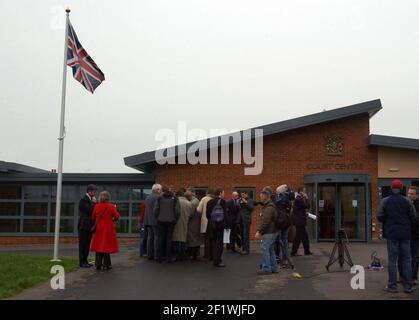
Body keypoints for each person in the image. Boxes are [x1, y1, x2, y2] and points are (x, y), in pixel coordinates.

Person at [378, 179, 418, 294]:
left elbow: (380, 216)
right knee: (407, 260)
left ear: (391, 188)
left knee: (392, 260)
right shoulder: (407, 201)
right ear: (401, 189)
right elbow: (414, 218)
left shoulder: (385, 201)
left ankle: (392, 286)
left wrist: (389, 221)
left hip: (392, 234)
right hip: (405, 234)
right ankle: (408, 286)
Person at [90, 191, 120, 271]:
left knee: (99, 245)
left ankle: (98, 264)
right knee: (106, 245)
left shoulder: (96, 206)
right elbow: (117, 217)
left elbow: (93, 217)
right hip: (108, 227)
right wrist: (112, 218)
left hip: (99, 227)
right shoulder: (111, 206)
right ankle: (107, 264)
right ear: (108, 197)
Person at [154, 185, 180, 263]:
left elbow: (155, 210)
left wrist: (157, 218)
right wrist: (175, 219)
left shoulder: (159, 198)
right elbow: (177, 211)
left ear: (162, 190)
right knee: (169, 240)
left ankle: (159, 258)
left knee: (160, 239)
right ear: (169, 190)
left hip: (161, 221)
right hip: (171, 222)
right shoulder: (175, 198)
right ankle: (168, 258)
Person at [399, 186, 419, 285]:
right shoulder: (404, 203)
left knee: (414, 257)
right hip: (405, 234)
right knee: (403, 256)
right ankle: (402, 276)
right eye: (408, 193)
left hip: (415, 235)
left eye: (412, 194)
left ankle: (413, 277)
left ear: (417, 195)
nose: (409, 195)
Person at [255, 189, 278, 275]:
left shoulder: (269, 208)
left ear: (265, 197)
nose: (260, 198)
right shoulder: (270, 206)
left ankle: (266, 268)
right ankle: (274, 268)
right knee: (270, 249)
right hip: (273, 231)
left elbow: (266, 222)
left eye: (261, 196)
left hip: (269, 232)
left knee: (264, 248)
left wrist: (259, 231)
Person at [206, 188, 228, 267]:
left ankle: (213, 258)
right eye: (223, 192)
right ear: (220, 193)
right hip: (220, 225)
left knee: (213, 242)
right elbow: (225, 215)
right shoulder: (222, 202)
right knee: (220, 243)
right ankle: (217, 261)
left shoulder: (209, 202)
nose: (224, 194)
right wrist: (227, 226)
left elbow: (207, 215)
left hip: (212, 225)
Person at [78, 184, 97, 268]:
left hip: (89, 226)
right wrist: (93, 203)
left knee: (87, 244)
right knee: (83, 245)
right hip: (84, 226)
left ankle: (85, 261)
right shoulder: (83, 200)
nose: (95, 193)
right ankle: (82, 262)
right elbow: (88, 210)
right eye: (94, 191)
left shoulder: (90, 200)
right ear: (89, 191)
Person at [291, 187, 313, 256]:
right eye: (304, 191)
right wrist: (306, 198)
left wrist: (304, 213)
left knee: (304, 236)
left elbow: (300, 210)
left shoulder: (299, 199)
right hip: (299, 221)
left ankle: (307, 251)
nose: (305, 193)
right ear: (300, 192)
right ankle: (294, 252)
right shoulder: (298, 199)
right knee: (298, 237)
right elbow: (307, 206)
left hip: (300, 220)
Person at [275, 184, 294, 263]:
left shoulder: (281, 198)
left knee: (278, 239)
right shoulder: (289, 198)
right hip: (287, 220)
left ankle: (278, 257)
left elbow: (276, 206)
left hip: (281, 221)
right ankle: (285, 257)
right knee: (285, 239)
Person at [173, 188, 193, 261]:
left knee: (175, 239)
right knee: (183, 239)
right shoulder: (188, 203)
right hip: (185, 222)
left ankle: (176, 255)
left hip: (175, 222)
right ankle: (183, 255)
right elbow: (191, 214)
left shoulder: (174, 201)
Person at [144, 184, 162, 260]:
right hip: (155, 221)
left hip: (148, 220)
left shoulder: (147, 197)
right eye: (160, 189)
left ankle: (149, 255)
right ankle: (156, 256)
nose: (161, 191)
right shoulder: (158, 197)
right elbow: (158, 210)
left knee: (150, 238)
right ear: (157, 190)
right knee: (156, 238)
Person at [197, 189, 213, 261]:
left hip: (205, 221)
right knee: (212, 239)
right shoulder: (214, 199)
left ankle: (207, 256)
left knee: (206, 239)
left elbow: (199, 210)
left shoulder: (204, 199)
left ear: (207, 193)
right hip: (213, 222)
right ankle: (212, 255)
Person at [185, 189, 202, 260]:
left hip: (192, 223)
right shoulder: (197, 200)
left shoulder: (192, 203)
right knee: (195, 238)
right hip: (197, 222)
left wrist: (186, 217)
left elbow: (190, 214)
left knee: (192, 238)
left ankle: (193, 254)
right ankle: (196, 253)